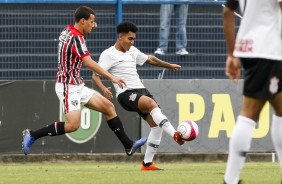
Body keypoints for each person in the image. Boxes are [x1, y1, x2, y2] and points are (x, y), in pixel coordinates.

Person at [22, 6, 147, 156]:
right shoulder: (76, 38)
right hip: (67, 86)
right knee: (73, 125)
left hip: (77, 84)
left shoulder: (67, 30)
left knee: (108, 107)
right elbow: (88, 63)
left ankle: (128, 145)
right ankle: (33, 134)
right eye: (92, 22)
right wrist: (111, 76)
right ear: (82, 21)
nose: (94, 25)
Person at [92, 21, 185, 171]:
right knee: (151, 104)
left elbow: (150, 59)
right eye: (130, 38)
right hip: (126, 94)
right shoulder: (108, 54)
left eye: (134, 39)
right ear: (120, 36)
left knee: (156, 126)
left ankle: (147, 164)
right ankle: (175, 134)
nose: (132, 42)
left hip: (141, 91)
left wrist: (168, 65)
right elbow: (95, 76)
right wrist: (104, 88)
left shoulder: (132, 51)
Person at [223, 0, 282, 183]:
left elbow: (227, 12)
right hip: (268, 50)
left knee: (281, 111)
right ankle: (230, 179)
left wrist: (232, 55)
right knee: (249, 113)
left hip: (249, 48)